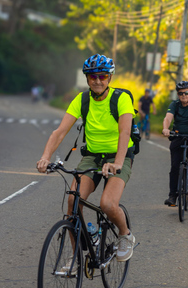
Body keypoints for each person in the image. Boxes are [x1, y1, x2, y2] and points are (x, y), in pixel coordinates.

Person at [36, 54, 136, 262]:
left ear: (109, 78)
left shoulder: (121, 98)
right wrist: (45, 157)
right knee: (73, 200)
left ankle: (125, 235)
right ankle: (75, 258)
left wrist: (117, 163)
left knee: (108, 204)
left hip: (120, 156)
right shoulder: (82, 100)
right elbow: (60, 132)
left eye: (102, 76)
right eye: (93, 77)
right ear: (87, 79)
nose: (97, 81)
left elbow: (125, 132)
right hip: (92, 157)